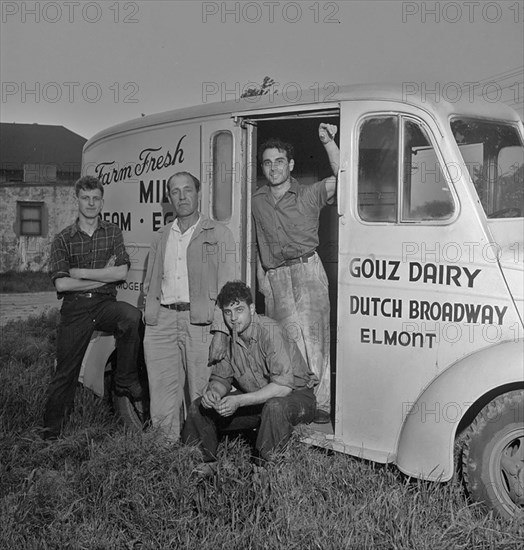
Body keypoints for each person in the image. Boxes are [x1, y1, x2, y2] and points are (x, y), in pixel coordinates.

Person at [251, 124, 339, 422]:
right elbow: (252, 239)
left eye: (279, 161)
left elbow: (346, 177)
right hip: (276, 276)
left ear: (290, 164)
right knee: (286, 343)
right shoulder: (256, 200)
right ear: (262, 167)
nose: (273, 168)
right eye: (267, 162)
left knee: (315, 339)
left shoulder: (310, 193)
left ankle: (322, 403)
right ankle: (294, 403)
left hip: (308, 269)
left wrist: (328, 143)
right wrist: (261, 277)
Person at [43, 175, 143, 440]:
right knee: (65, 373)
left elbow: (121, 272)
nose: (90, 203)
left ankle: (124, 381)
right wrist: (103, 273)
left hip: (103, 304)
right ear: (76, 200)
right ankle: (50, 435)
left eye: (95, 198)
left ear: (102, 202)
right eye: (85, 198)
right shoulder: (63, 239)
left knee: (132, 316)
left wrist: (81, 272)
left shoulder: (112, 232)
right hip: (75, 309)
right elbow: (62, 284)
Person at [181, 281, 317, 471]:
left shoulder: (270, 331)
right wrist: (214, 393)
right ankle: (202, 465)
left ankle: (265, 469)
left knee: (274, 406)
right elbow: (221, 379)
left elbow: (283, 388)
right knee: (198, 407)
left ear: (251, 309)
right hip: (259, 401)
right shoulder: (229, 337)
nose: (234, 318)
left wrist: (239, 401)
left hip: (297, 398)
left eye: (239, 310)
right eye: (228, 312)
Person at [143, 171, 237, 442]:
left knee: (202, 393)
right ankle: (164, 452)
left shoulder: (219, 233)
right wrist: (149, 317)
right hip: (161, 322)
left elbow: (229, 289)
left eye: (187, 190)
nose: (182, 196)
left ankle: (201, 455)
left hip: (201, 324)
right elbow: (151, 282)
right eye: (175, 191)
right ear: (169, 198)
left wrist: (221, 331)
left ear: (198, 194)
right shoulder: (161, 235)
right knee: (161, 393)